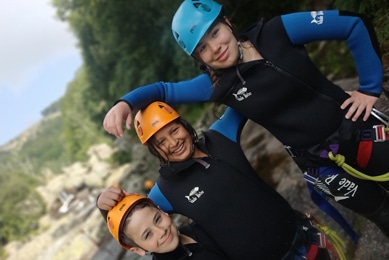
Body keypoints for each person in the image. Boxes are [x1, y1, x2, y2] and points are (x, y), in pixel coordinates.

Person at [102, 0, 389, 242]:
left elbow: (352, 24)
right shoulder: (218, 86)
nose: (215, 48)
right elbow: (164, 90)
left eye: (215, 32)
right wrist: (124, 103)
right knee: (381, 214)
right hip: (319, 164)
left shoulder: (277, 32)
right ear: (199, 58)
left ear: (227, 22)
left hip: (356, 128)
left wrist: (369, 88)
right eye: (202, 48)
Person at [99, 101, 342, 260]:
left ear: (184, 124)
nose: (173, 143)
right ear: (155, 152)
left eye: (174, 130)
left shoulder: (220, 136)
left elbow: (238, 95)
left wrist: (141, 97)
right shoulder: (164, 192)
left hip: (301, 233)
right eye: (161, 142)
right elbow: (133, 228)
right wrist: (103, 206)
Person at [99, 192, 229, 259]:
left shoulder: (201, 228)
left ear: (162, 211)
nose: (161, 232)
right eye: (148, 234)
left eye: (157, 219)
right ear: (137, 250)